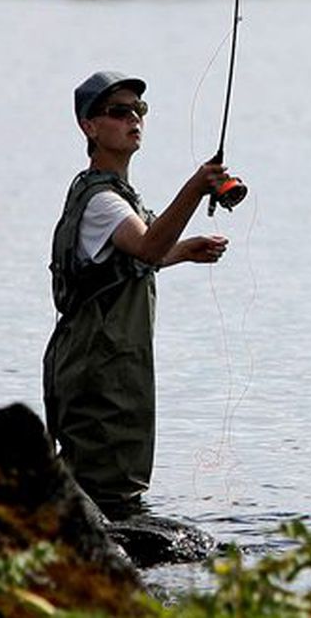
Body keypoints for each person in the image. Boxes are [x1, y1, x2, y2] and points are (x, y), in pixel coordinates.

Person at [43, 69, 237, 518]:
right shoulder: (102, 201)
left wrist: (184, 252)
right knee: (103, 485)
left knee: (111, 476)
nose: (133, 119)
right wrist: (196, 187)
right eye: (117, 112)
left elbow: (132, 260)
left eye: (138, 110)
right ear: (89, 127)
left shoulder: (117, 198)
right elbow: (147, 246)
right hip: (95, 363)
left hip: (110, 360)